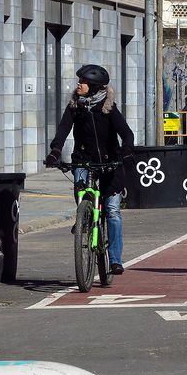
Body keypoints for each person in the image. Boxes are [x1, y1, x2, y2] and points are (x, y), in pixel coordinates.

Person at [44, 64, 134, 275]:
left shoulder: (108, 107)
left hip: (109, 162)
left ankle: (115, 260)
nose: (78, 85)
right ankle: (84, 216)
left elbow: (127, 133)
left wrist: (127, 153)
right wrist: (55, 152)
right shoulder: (75, 106)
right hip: (83, 159)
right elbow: (63, 130)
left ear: (93, 87)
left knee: (112, 211)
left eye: (82, 82)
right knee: (80, 186)